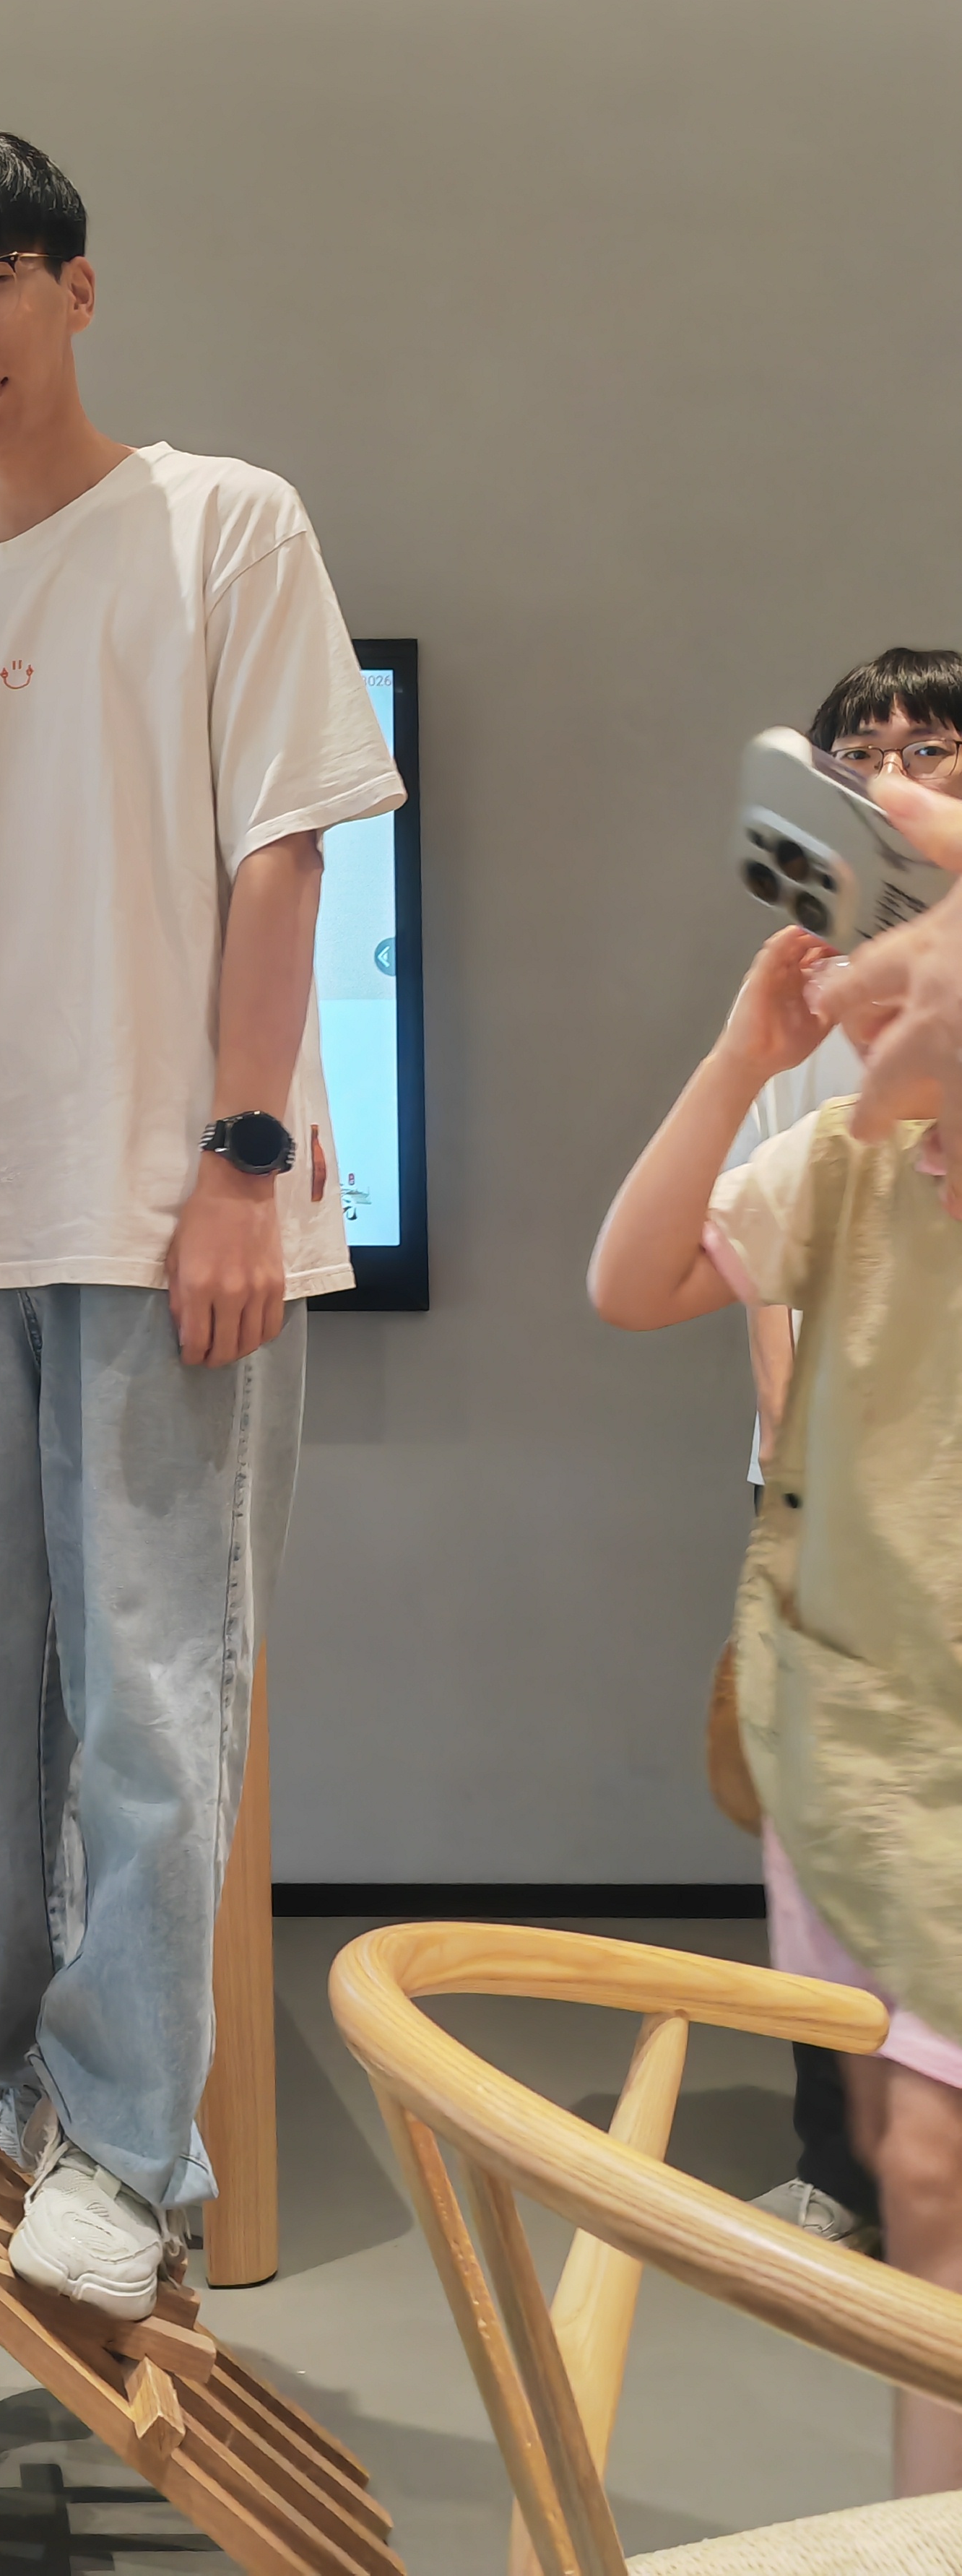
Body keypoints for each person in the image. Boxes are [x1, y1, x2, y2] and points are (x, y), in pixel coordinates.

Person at [0, 131, 404, 2319]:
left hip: (168, 1212)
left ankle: (128, 2153)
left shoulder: (224, 522)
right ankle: (38, 2100)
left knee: (152, 1693)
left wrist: (242, 1160)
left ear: (76, 289)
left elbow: (286, 851)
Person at [592, 921, 962, 2496]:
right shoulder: (847, 1160)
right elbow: (631, 1279)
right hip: (871, 1734)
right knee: (925, 2179)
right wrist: (743, 1058)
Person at [734, 650, 962, 2255]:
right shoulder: (811, 986)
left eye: (931, 748)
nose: (895, 777)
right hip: (822, 1496)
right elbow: (754, 1252)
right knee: (823, 1833)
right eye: (862, 752)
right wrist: (790, 1457)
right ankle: (839, 2156)